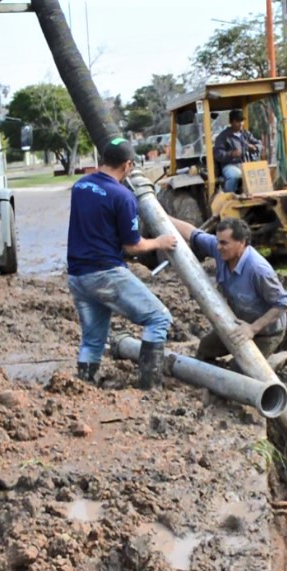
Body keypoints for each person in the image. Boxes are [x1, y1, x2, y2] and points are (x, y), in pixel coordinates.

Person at [66, 138, 178, 388]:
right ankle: (150, 385)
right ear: (128, 165)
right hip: (105, 273)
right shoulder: (123, 196)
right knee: (158, 318)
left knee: (93, 340)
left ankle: (85, 385)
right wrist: (159, 242)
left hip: (77, 276)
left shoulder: (80, 186)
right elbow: (133, 246)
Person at [168, 216, 287, 360]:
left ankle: (276, 361)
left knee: (241, 372)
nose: (218, 247)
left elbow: (285, 303)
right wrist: (161, 214)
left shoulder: (258, 270)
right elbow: (193, 233)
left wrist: (253, 329)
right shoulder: (221, 251)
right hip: (239, 324)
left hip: (266, 332)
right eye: (218, 241)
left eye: (224, 243)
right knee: (205, 349)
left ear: (241, 243)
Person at [213, 110, 261, 194]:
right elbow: (218, 154)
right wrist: (231, 154)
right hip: (230, 165)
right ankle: (229, 196)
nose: (241, 124)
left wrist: (255, 148)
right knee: (234, 176)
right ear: (231, 122)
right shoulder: (223, 137)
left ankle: (257, 196)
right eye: (237, 121)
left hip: (247, 165)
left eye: (242, 121)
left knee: (261, 173)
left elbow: (259, 144)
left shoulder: (246, 134)